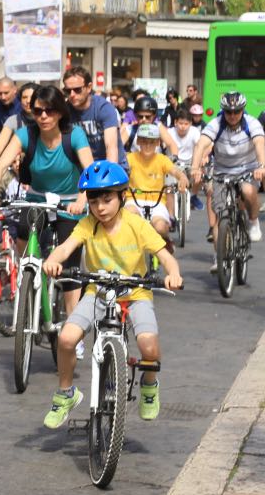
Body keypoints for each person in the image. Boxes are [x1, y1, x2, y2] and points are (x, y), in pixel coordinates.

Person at [40, 161, 183, 428]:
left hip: (135, 292)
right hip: (98, 291)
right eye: (94, 202)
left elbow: (166, 257)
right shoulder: (87, 224)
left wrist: (173, 274)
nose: (100, 208)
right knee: (67, 338)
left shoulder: (136, 224)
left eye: (107, 200)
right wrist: (52, 260)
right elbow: (65, 247)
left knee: (148, 346)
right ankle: (65, 393)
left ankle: (149, 386)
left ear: (121, 196)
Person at [0, 85, 93, 320]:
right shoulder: (26, 134)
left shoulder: (74, 135)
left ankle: (72, 322)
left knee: (69, 265)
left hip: (69, 204)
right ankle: (31, 276)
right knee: (24, 233)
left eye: (49, 111)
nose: (43, 117)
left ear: (60, 112)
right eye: (38, 112)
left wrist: (81, 199)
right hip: (36, 200)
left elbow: (90, 171)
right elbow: (0, 166)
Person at [190, 91, 265, 272]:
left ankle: (253, 221)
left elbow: (259, 143)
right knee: (220, 218)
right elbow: (201, 144)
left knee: (249, 192)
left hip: (248, 170)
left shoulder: (252, 123)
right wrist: (195, 168)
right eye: (228, 112)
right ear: (223, 111)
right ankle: (220, 257)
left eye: (236, 112)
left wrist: (261, 165)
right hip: (222, 172)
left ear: (242, 110)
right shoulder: (216, 124)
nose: (232, 116)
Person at [126, 123, 188, 237]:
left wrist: (182, 177)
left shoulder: (162, 159)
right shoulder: (130, 158)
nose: (148, 146)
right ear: (138, 142)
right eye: (144, 141)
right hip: (133, 200)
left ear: (158, 143)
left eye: (152, 142)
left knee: (160, 227)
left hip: (157, 202)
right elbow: (120, 171)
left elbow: (175, 171)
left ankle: (165, 242)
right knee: (131, 218)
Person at [62, 66, 123, 165]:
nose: (72, 94)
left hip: (113, 168)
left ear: (89, 87)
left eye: (77, 90)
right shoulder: (65, 110)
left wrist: (108, 175)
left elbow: (111, 147)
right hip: (83, 169)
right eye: (68, 91)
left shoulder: (104, 108)